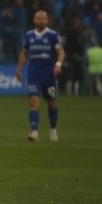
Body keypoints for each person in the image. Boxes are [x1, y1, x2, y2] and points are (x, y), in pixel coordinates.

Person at [16, 9, 65, 142]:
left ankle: (53, 129)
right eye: (39, 18)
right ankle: (34, 131)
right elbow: (24, 53)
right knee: (33, 102)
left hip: (49, 75)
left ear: (47, 20)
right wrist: (19, 70)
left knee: (51, 103)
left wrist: (58, 65)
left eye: (43, 18)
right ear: (34, 20)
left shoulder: (53, 35)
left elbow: (61, 52)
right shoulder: (28, 35)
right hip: (33, 75)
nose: (41, 20)